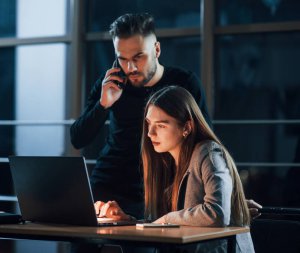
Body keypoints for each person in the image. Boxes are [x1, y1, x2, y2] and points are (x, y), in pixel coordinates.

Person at [70, 13, 211, 220]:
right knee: (79, 240)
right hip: (108, 180)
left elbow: (205, 142)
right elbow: (78, 138)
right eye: (123, 59)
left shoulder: (184, 83)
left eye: (138, 57)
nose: (131, 68)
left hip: (157, 185)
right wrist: (103, 105)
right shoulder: (110, 82)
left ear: (156, 49)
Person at [98, 86, 255, 253]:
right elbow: (170, 224)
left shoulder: (208, 152)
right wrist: (126, 221)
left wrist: (166, 219)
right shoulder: (168, 162)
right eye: (149, 124)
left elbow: (217, 214)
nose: (150, 133)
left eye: (161, 125)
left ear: (186, 128)